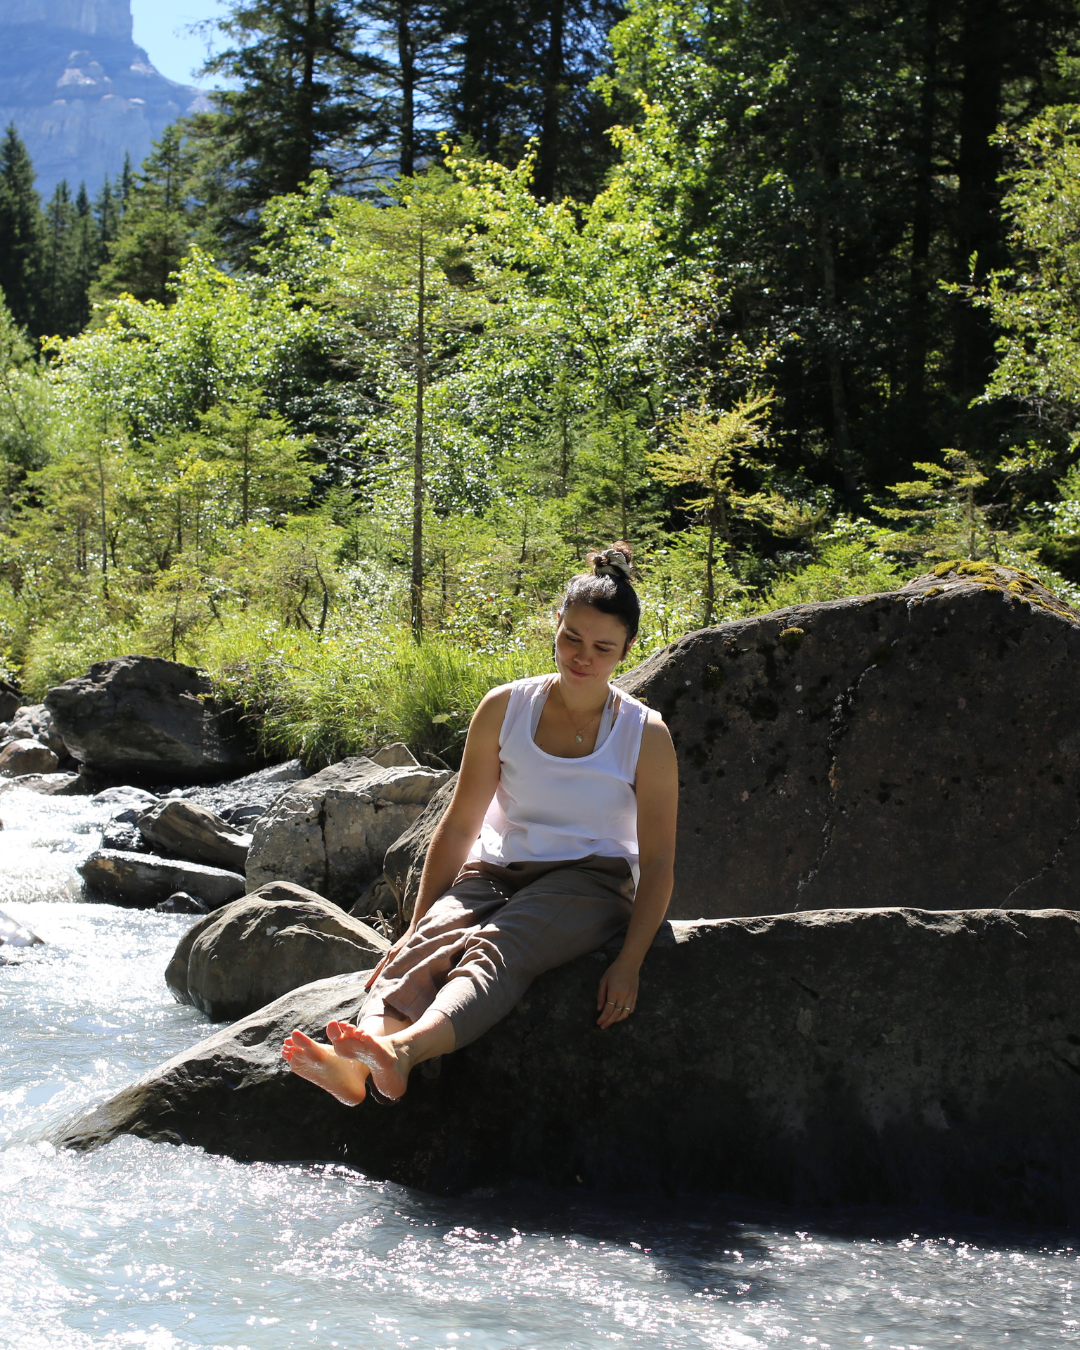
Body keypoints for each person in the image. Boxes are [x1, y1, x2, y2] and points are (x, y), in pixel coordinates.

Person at [281, 542, 679, 1105]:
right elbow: (461, 824)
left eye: (601, 647)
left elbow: (659, 860)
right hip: (495, 870)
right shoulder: (505, 707)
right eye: (571, 638)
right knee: (425, 948)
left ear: (626, 651)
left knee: (499, 945)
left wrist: (629, 962)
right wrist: (416, 932)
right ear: (555, 627)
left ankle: (404, 1052)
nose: (581, 657)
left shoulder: (646, 735)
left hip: (591, 879)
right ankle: (357, 1066)